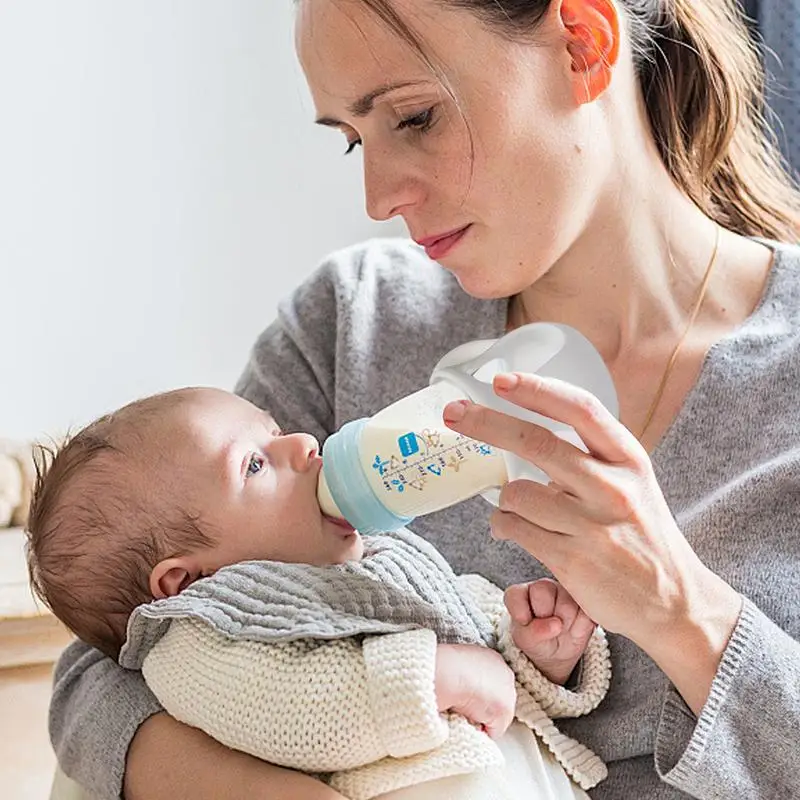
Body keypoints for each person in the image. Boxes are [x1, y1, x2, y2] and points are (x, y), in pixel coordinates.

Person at [48, 1, 800, 798]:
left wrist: (684, 614)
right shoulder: (354, 323)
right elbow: (111, 665)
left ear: (582, 40)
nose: (377, 197)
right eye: (352, 138)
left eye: (414, 117)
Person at [28, 386, 610, 799]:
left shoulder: (370, 562)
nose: (305, 444)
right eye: (255, 465)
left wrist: (535, 656)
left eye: (275, 431)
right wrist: (438, 676)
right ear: (186, 581)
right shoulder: (201, 635)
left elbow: (471, 636)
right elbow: (293, 709)